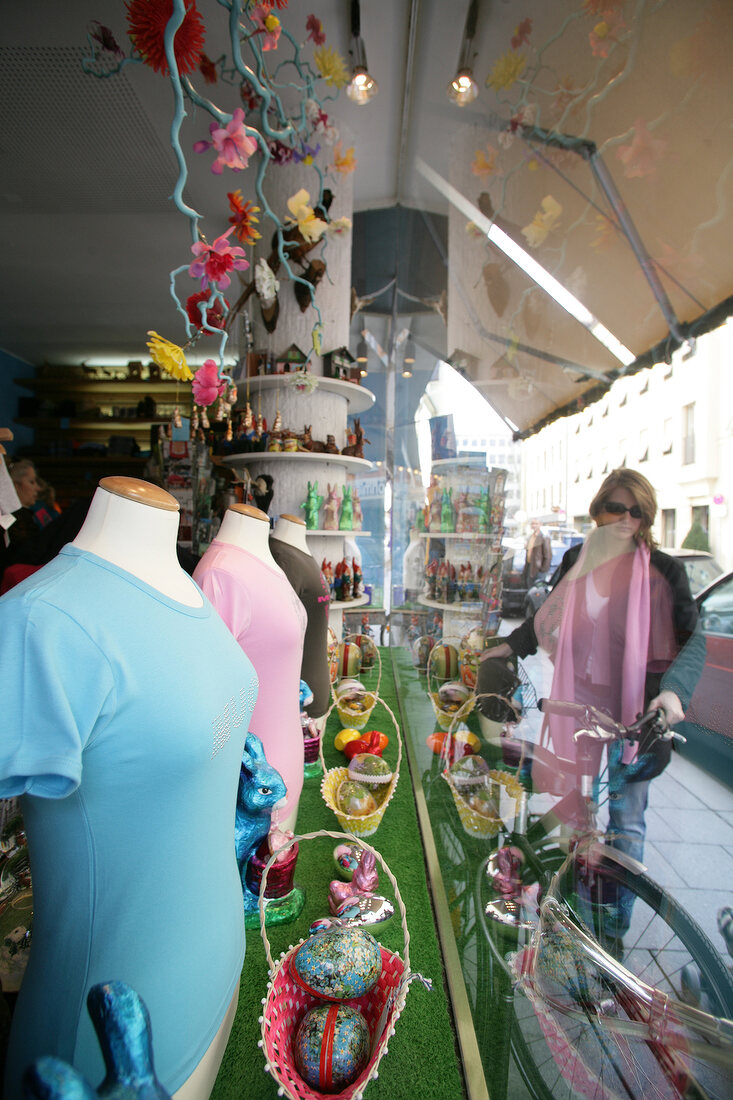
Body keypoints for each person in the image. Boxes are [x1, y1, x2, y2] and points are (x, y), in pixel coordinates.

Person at [482, 469, 704, 947]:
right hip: (578, 707)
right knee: (576, 811)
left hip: (638, 718)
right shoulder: (578, 558)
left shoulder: (665, 571)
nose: (625, 518)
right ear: (598, 509)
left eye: (636, 510)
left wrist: (673, 694)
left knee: (625, 822)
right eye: (615, 508)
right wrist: (508, 648)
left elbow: (691, 640)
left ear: (646, 518)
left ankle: (614, 927)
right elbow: (548, 619)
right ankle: (575, 906)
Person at [524, 517, 551, 584]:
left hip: (538, 569)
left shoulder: (543, 537)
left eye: (536, 524)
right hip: (531, 567)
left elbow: (548, 555)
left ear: (540, 525)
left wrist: (543, 570)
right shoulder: (531, 537)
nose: (534, 525)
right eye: (532, 524)